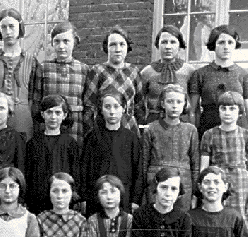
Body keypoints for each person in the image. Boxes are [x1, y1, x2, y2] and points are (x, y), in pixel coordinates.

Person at [79, 90, 141, 218]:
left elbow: (138, 170)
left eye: (116, 106)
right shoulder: (92, 137)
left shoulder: (131, 138)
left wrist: (135, 199)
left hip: (123, 195)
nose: (112, 111)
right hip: (96, 195)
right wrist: (84, 197)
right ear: (101, 110)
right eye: (107, 107)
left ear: (123, 109)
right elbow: (84, 169)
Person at [0, 8, 39, 140]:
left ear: (20, 27)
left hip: (22, 119)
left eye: (11, 26)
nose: (8, 32)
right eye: (4, 27)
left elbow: (33, 97)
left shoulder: (31, 60)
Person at [188, 25, 248, 139]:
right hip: (208, 131)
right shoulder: (200, 74)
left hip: (237, 133)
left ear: (235, 45)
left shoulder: (244, 75)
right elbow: (193, 111)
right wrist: (194, 137)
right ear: (214, 45)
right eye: (221, 42)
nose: (226, 47)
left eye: (230, 42)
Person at [139, 84, 199, 212]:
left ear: (184, 104)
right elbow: (144, 163)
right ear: (162, 103)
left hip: (183, 184)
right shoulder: (151, 129)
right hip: (156, 182)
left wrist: (195, 193)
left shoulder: (190, 130)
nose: (174, 106)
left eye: (179, 102)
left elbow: (195, 165)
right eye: (170, 101)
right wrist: (144, 189)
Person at [32, 21, 90, 147]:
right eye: (57, 41)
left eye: (66, 41)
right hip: (49, 130)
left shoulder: (84, 69)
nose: (61, 46)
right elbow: (36, 103)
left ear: (74, 42)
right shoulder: (43, 68)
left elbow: (88, 106)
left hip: (75, 129)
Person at [200, 91, 248, 219]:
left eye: (232, 109)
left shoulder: (247, 135)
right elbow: (203, 169)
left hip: (240, 183)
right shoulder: (209, 135)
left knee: (238, 220)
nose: (227, 112)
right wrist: (203, 193)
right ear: (218, 111)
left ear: (240, 112)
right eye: (223, 108)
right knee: (216, 219)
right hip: (216, 183)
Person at [25, 95, 80, 215]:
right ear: (42, 114)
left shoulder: (70, 143)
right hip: (38, 201)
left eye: (57, 112)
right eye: (49, 112)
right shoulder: (33, 143)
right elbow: (28, 173)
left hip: (63, 200)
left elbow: (75, 172)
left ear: (64, 115)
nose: (53, 117)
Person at [85, 25, 144, 136]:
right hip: (103, 131)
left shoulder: (134, 72)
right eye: (113, 45)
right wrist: (92, 133)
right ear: (106, 48)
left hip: (129, 130)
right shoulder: (98, 71)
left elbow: (139, 106)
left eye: (122, 44)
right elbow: (89, 106)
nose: (118, 49)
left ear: (127, 47)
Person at [140, 25, 196, 125]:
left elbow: (194, 105)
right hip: (154, 123)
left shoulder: (189, 71)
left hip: (181, 123)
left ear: (179, 45)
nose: (168, 47)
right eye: (164, 42)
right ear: (158, 45)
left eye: (173, 42)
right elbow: (139, 103)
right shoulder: (147, 72)